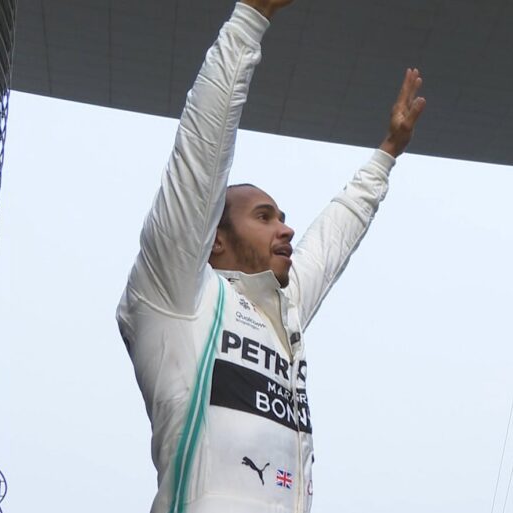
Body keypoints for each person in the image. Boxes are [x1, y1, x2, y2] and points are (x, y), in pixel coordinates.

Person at [115, 1, 426, 512]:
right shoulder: (177, 295)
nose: (286, 229)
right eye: (264, 217)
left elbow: (333, 237)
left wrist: (388, 151)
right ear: (213, 239)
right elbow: (200, 156)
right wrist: (250, 18)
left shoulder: (283, 310)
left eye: (282, 217)